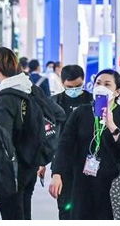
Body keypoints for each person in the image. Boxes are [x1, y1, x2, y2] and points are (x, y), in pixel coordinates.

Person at [49, 69, 120, 220]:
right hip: (82, 182)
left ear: (117, 92)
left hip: (114, 185)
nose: (101, 87)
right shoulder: (81, 112)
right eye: (98, 83)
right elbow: (65, 145)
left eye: (107, 84)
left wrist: (112, 125)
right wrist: (57, 173)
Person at [0, 47, 45, 220]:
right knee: (24, 214)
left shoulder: (5, 97)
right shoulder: (30, 88)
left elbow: (2, 137)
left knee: (13, 215)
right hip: (30, 163)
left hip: (12, 170)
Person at [50, 64, 92, 220]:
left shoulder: (93, 101)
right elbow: (48, 134)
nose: (74, 90)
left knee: (88, 207)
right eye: (70, 87)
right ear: (62, 83)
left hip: (89, 161)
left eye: (78, 86)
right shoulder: (54, 102)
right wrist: (43, 163)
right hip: (63, 160)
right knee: (65, 207)